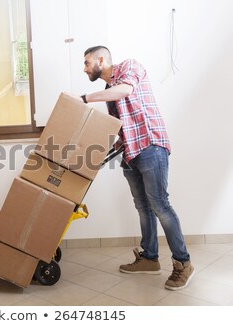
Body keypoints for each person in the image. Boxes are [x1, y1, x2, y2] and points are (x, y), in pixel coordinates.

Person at [81, 45, 194, 290]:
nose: (84, 68)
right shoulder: (108, 89)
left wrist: (84, 99)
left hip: (151, 145)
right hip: (131, 153)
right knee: (143, 207)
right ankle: (150, 258)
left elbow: (126, 90)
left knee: (159, 205)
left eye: (87, 62)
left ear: (101, 59)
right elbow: (122, 126)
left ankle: (183, 263)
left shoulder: (129, 67)